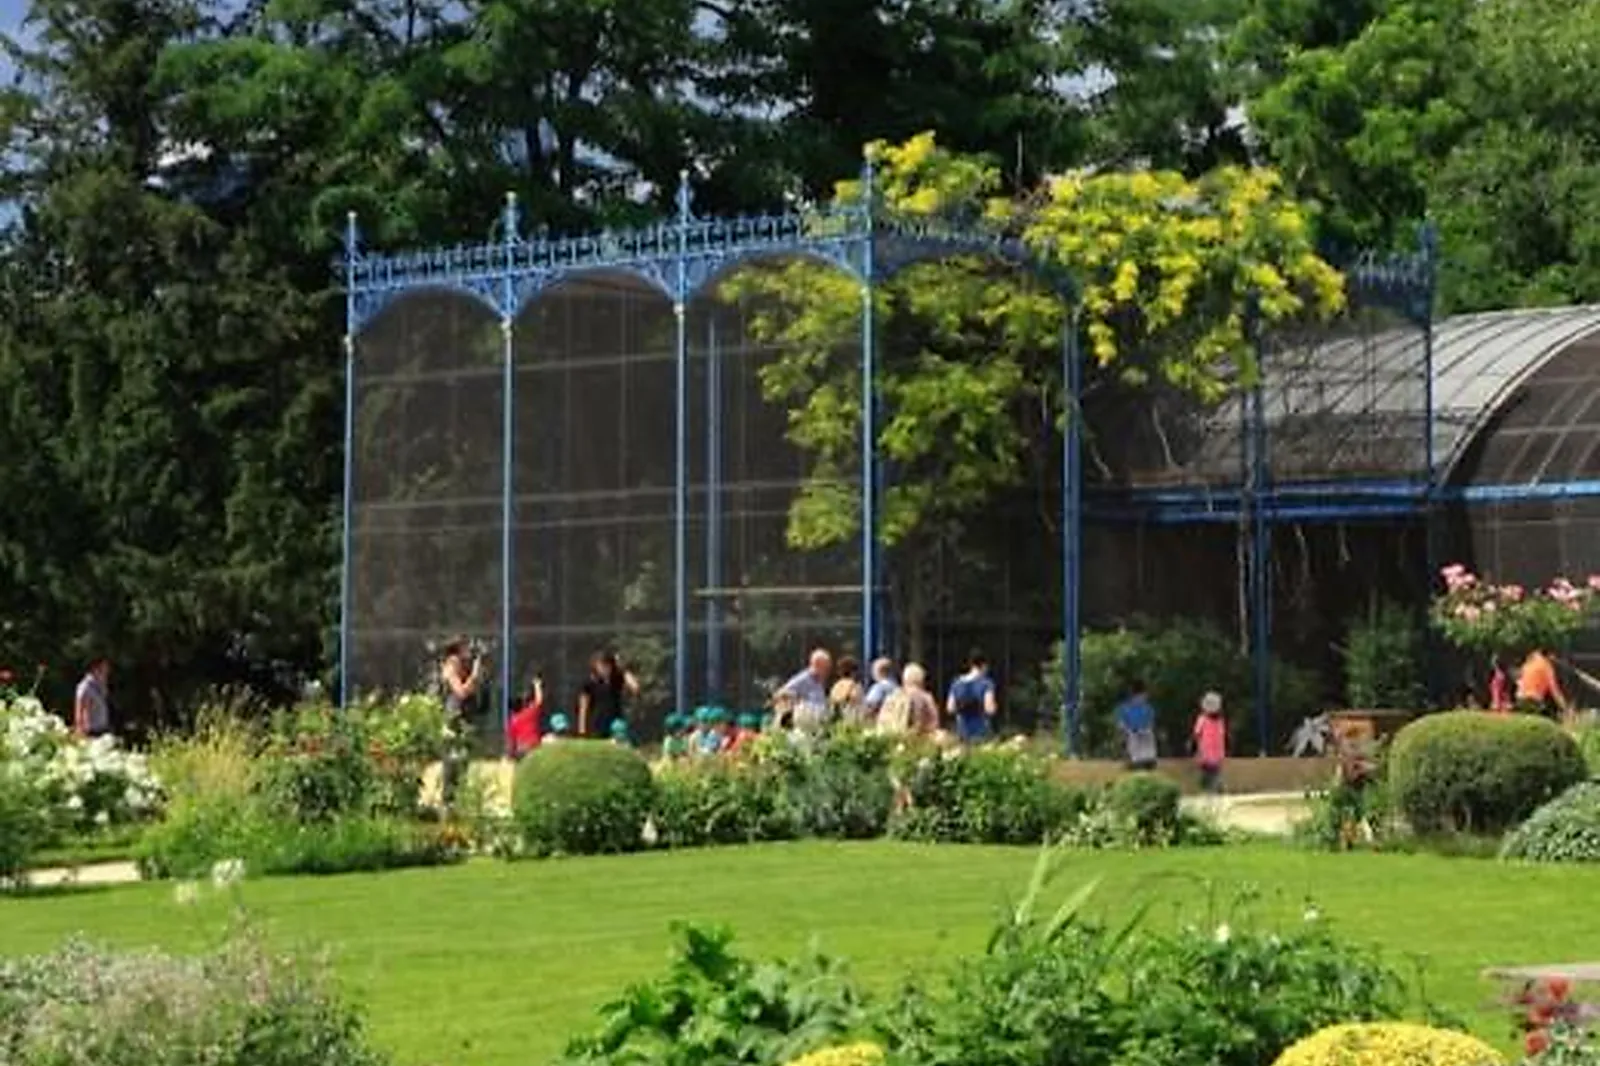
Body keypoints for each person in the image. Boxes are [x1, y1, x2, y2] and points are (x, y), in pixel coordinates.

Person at [438, 639, 485, 806]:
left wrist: (476, 675)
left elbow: (472, 691)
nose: (468, 653)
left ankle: (458, 800)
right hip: (454, 721)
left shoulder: (462, 668)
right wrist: (474, 675)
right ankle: (448, 801)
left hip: (464, 720)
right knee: (452, 762)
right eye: (464, 649)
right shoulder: (450, 668)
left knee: (463, 761)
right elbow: (461, 692)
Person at [577, 651, 640, 738]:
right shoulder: (589, 684)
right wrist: (582, 729)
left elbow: (635, 688)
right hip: (597, 723)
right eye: (601, 666)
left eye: (607, 665)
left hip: (616, 722)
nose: (604, 669)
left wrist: (623, 669)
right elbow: (583, 707)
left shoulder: (617, 679)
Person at [946, 649, 998, 743]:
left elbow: (950, 708)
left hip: (962, 728)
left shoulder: (956, 683)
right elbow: (989, 709)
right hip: (981, 728)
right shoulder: (986, 684)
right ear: (984, 665)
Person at [774, 649, 832, 732]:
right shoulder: (803, 678)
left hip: (818, 726)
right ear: (817, 664)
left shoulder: (819, 681)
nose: (827, 671)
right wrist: (797, 704)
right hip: (804, 726)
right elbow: (782, 693)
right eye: (825, 667)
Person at [1516, 647, 1571, 723]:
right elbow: (1554, 690)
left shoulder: (1528, 663)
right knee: (1551, 720)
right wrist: (1565, 708)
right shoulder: (1546, 666)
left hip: (1520, 699)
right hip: (1533, 700)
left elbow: (1519, 681)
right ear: (1550, 655)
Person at [1114, 680, 1158, 770]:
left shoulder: (1148, 708)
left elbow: (1151, 723)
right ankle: (1134, 760)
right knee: (1132, 738)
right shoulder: (1125, 708)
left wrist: (1145, 729)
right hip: (1131, 734)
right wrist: (1127, 730)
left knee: (1148, 736)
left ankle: (1148, 759)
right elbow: (1121, 724)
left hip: (1144, 733)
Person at [1192, 691, 1227, 794]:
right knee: (1214, 770)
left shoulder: (1202, 719)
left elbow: (1197, 733)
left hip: (1206, 752)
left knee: (1207, 771)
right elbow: (1222, 735)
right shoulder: (1219, 721)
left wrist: (1195, 747)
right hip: (1215, 752)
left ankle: (1211, 788)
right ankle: (1216, 786)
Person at [506, 674, 544, 759]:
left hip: (522, 748)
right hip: (534, 745)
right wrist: (537, 685)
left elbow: (511, 741)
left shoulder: (512, 721)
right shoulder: (529, 713)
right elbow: (539, 700)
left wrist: (510, 754)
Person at [74, 657, 112, 738]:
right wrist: (80, 729)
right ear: (95, 669)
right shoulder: (85, 686)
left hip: (102, 728)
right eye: (102, 670)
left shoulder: (100, 685)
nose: (105, 673)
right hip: (90, 730)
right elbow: (80, 709)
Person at [901, 662, 941, 735]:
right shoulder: (926, 698)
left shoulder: (894, 697)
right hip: (921, 737)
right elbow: (934, 721)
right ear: (921, 679)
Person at [829, 656, 866, 725]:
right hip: (852, 722)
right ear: (853, 672)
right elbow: (859, 705)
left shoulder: (836, 686)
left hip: (838, 723)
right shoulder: (855, 686)